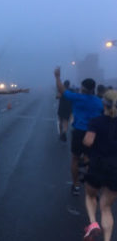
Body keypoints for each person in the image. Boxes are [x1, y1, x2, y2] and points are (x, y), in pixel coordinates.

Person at [54, 67, 103, 196]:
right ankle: (91, 186)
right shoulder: (99, 102)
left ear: (83, 88)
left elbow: (62, 90)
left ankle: (75, 186)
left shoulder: (77, 98)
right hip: (93, 133)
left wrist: (57, 77)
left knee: (75, 159)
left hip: (79, 132)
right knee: (89, 159)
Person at [83, 90, 117, 241]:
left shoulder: (96, 121)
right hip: (115, 168)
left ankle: (93, 223)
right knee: (106, 207)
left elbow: (88, 142)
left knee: (91, 196)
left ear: (104, 103)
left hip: (97, 165)